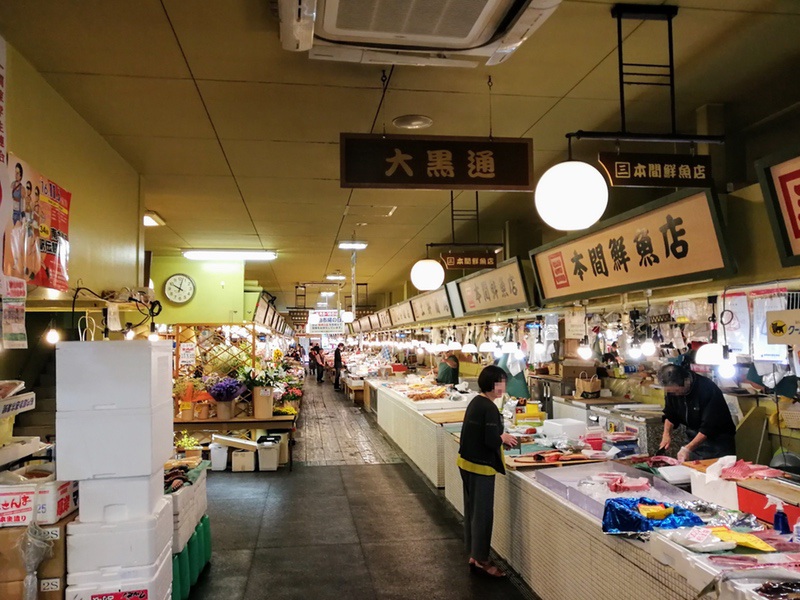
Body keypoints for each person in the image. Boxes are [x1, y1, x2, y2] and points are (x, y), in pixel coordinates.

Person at [457, 365, 518, 578]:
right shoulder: (490, 408)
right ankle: (482, 560)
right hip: (481, 467)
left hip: (466, 462)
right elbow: (491, 440)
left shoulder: (476, 402)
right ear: (494, 385)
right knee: (483, 515)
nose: (504, 386)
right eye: (502, 382)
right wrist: (503, 438)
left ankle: (473, 554)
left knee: (472, 512)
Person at [658, 363, 736, 462]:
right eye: (671, 392)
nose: (675, 395)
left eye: (677, 391)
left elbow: (709, 427)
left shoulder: (707, 388)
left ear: (686, 381)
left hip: (717, 443)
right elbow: (670, 414)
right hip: (693, 437)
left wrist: (687, 448)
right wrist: (666, 434)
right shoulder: (672, 391)